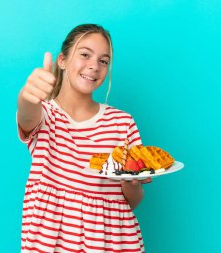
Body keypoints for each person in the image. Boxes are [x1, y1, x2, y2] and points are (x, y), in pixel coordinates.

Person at [17, 24, 151, 253]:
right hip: (51, 244)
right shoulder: (46, 115)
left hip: (113, 244)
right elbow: (27, 115)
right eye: (85, 54)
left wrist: (132, 183)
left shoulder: (122, 123)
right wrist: (27, 96)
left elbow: (132, 201)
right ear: (62, 61)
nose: (94, 66)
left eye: (103, 60)